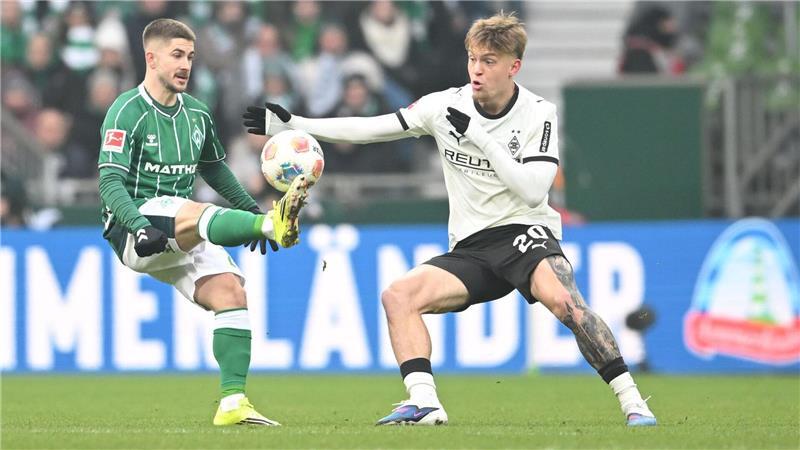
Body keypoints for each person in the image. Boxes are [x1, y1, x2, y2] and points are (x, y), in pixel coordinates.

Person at [243, 12, 657, 427]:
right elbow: (372, 128)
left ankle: (633, 401)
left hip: (524, 234)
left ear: (514, 66)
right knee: (398, 296)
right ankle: (424, 402)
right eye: (473, 59)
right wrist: (295, 124)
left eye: (489, 61)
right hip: (472, 247)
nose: (477, 69)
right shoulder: (443, 106)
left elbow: (533, 190)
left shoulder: (538, 112)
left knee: (565, 303)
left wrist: (479, 136)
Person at [97, 18, 310, 427]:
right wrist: (138, 225)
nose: (185, 65)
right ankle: (273, 224)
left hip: (178, 228)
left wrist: (248, 209)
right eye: (177, 55)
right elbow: (109, 181)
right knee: (195, 210)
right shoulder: (126, 110)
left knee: (231, 293)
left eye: (191, 57)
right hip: (134, 226)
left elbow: (214, 169)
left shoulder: (197, 113)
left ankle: (233, 403)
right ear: (151, 58)